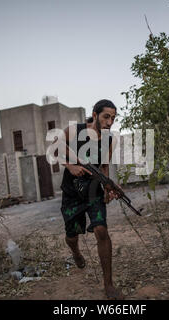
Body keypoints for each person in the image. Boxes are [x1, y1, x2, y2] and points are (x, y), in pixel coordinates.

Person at [59, 99, 124, 300]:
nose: (110, 122)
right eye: (106, 116)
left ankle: (109, 285)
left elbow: (104, 167)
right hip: (72, 193)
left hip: (94, 191)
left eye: (113, 118)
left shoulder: (109, 140)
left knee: (101, 230)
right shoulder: (73, 130)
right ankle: (76, 252)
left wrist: (108, 186)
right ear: (95, 115)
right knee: (72, 235)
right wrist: (70, 167)